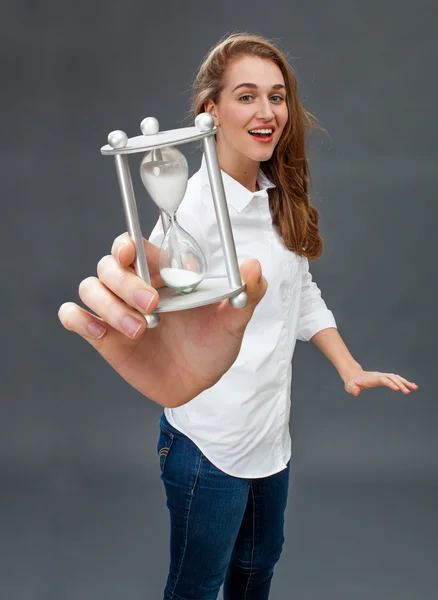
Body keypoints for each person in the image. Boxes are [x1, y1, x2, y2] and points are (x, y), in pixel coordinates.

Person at [58, 33, 418, 600]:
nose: (266, 111)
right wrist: (138, 306)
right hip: (209, 445)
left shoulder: (279, 199)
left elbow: (301, 295)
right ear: (211, 111)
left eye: (277, 97)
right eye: (246, 96)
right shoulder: (190, 212)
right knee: (197, 587)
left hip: (270, 440)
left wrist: (349, 368)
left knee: (255, 575)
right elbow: (157, 299)